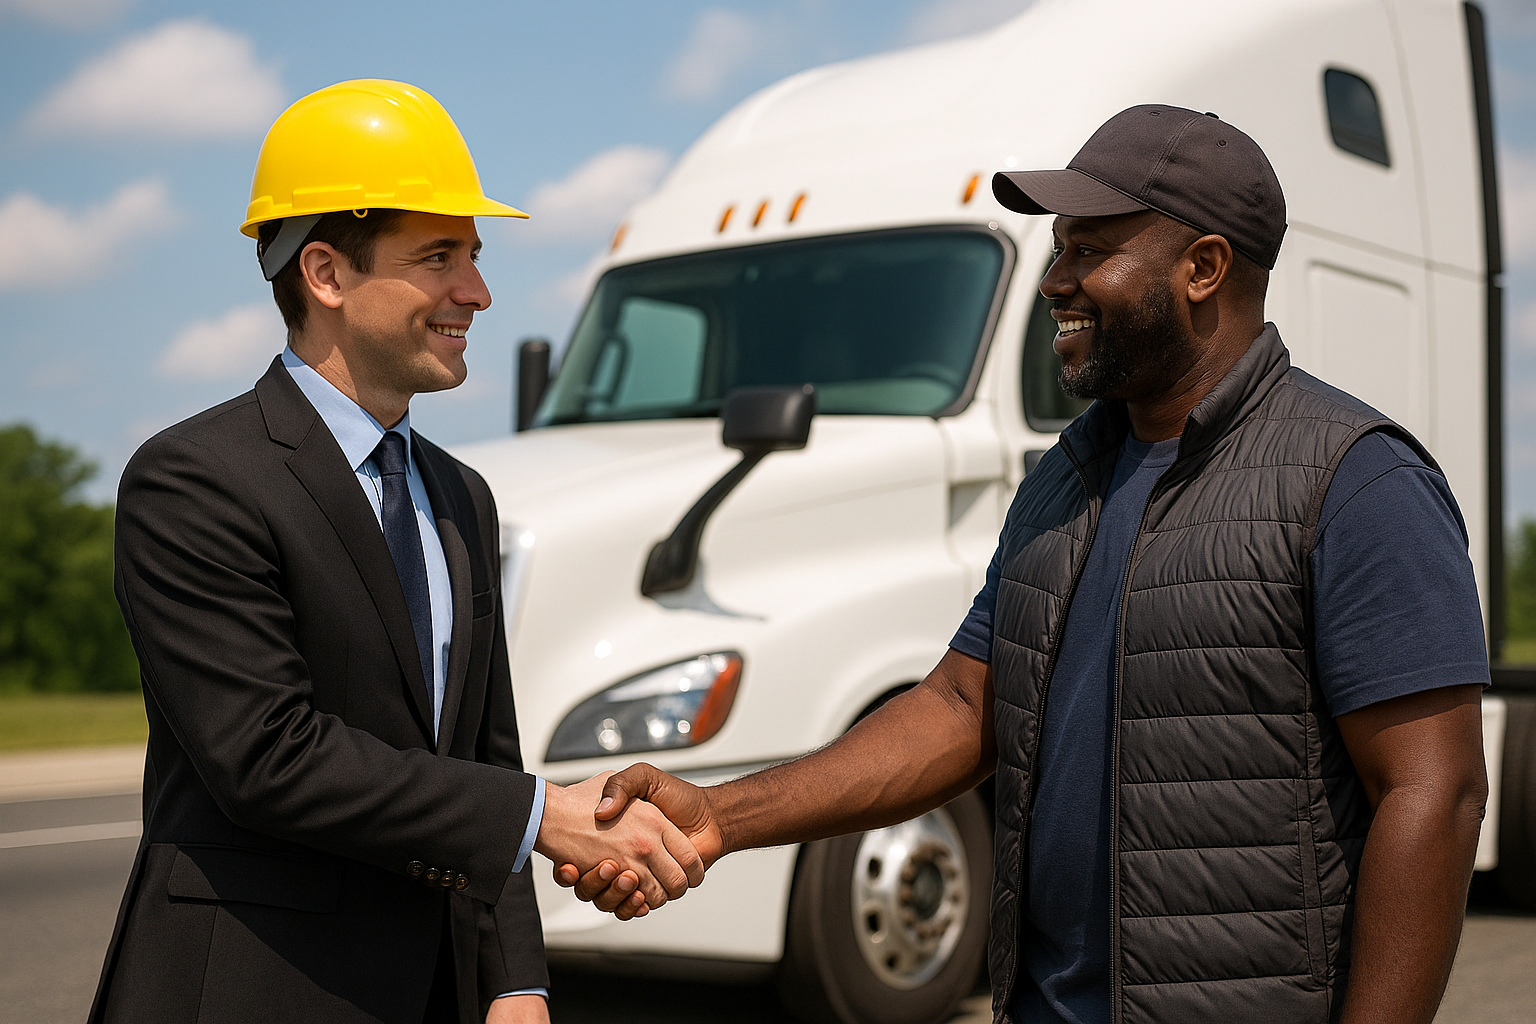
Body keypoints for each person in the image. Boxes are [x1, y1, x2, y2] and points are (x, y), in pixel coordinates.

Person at [564, 105, 1491, 1024]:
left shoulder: (1355, 479)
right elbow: (963, 708)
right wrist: (721, 817)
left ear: (1203, 268)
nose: (1056, 282)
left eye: (1090, 251)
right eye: (1058, 252)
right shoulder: (1069, 474)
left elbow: (1432, 793)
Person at [90, 80, 702, 1024]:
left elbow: (484, 756)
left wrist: (515, 978)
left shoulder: (463, 496)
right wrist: (544, 818)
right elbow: (267, 755)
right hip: (249, 992)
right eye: (439, 257)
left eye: (475, 255)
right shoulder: (193, 479)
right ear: (327, 275)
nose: (479, 291)